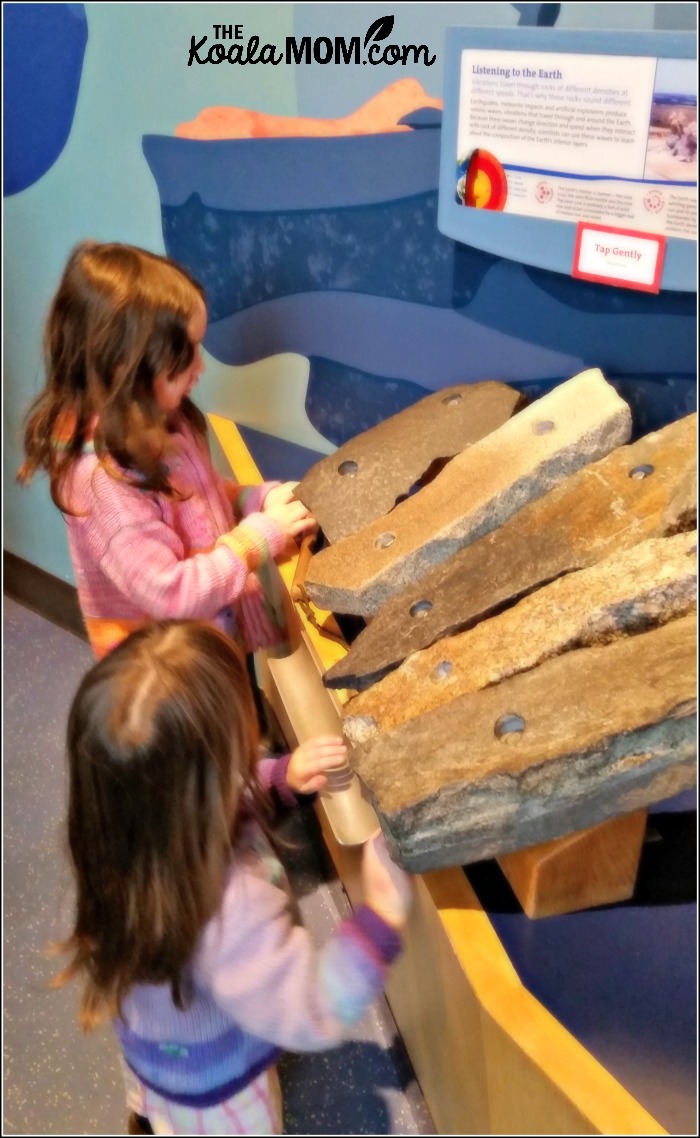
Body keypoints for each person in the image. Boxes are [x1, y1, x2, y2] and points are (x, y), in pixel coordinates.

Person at [54, 619, 413, 1136]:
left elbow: (228, 796)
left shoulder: (122, 831)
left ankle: (151, 1118)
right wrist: (380, 917)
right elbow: (310, 1007)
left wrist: (282, 780)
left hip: (155, 1044)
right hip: (217, 1092)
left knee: (162, 1108)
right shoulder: (232, 909)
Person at [19, 240, 315, 661]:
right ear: (128, 369)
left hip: (212, 638)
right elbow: (172, 592)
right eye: (187, 353)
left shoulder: (162, 418)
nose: (201, 367)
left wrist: (257, 499)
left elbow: (202, 497)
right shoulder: (102, 485)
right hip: (169, 675)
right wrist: (262, 534)